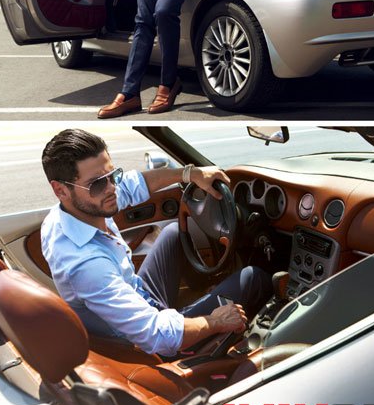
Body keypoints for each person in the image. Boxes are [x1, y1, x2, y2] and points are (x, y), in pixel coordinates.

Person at [41, 128, 271, 355]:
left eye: (112, 176)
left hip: (140, 295)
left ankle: (202, 299)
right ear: (60, 190)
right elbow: (157, 336)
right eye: (98, 183)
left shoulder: (68, 213)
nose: (112, 188)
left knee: (172, 232)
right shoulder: (87, 266)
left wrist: (191, 174)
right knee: (253, 277)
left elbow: (132, 184)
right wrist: (215, 321)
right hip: (139, 343)